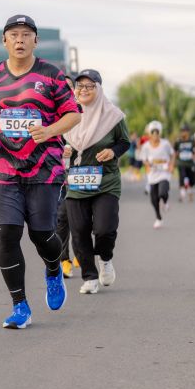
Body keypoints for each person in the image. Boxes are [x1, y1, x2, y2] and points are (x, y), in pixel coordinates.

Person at [0, 14, 81, 328]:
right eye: (14, 34)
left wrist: (50, 130)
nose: (20, 40)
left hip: (45, 168)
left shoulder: (51, 75)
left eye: (26, 34)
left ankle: (53, 269)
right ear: (4, 41)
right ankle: (20, 306)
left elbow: (73, 115)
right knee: (7, 233)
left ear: (35, 40)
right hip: (5, 168)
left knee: (42, 234)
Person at [64, 69, 130, 294]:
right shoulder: (66, 114)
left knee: (104, 229)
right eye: (80, 86)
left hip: (106, 183)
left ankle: (105, 258)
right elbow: (54, 140)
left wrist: (112, 152)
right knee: (79, 231)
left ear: (99, 89)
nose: (83, 90)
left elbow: (124, 142)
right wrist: (63, 150)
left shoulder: (113, 116)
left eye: (89, 86)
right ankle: (90, 277)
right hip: (76, 184)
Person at [56, 74, 80, 279]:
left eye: (69, 87)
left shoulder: (83, 112)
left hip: (82, 172)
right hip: (58, 173)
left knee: (81, 216)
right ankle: (64, 259)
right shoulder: (49, 112)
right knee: (62, 216)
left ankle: (82, 250)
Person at [140, 120, 175, 229]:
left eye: (157, 132)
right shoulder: (146, 146)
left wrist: (171, 165)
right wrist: (149, 164)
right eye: (153, 132)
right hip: (153, 175)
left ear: (160, 133)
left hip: (164, 173)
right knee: (153, 199)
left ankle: (165, 202)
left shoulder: (165, 144)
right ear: (149, 134)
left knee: (163, 192)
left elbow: (173, 154)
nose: (155, 135)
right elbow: (144, 159)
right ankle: (158, 218)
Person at [174, 125, 195, 202]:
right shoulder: (178, 141)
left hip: (190, 163)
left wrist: (194, 155)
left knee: (191, 179)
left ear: (188, 132)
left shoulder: (192, 141)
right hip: (181, 163)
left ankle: (190, 192)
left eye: (185, 131)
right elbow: (174, 151)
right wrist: (175, 160)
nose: (183, 133)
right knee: (182, 178)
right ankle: (182, 194)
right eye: (182, 131)